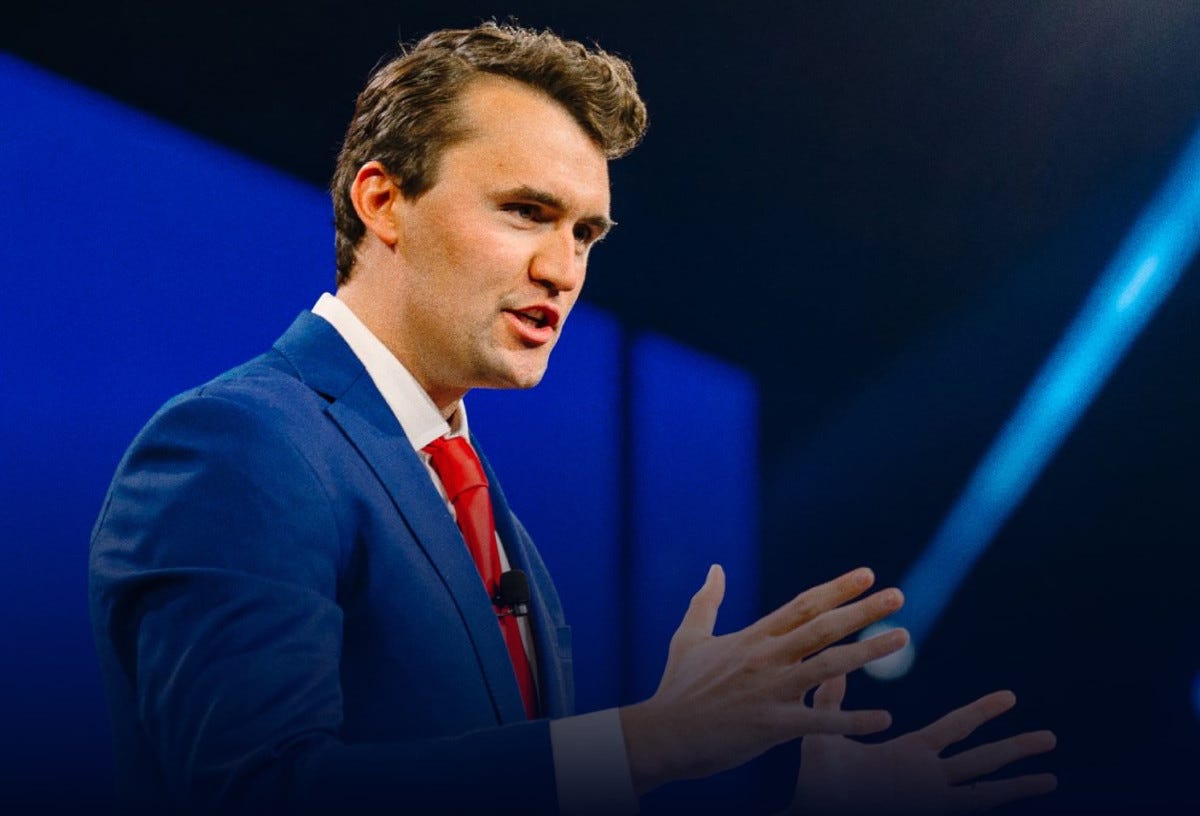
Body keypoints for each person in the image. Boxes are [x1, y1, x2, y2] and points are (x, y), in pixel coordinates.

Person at [88, 22, 1055, 815]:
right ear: (383, 200)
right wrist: (647, 741)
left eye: (585, 232)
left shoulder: (492, 527)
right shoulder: (243, 442)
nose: (564, 269)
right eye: (524, 211)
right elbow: (256, 794)